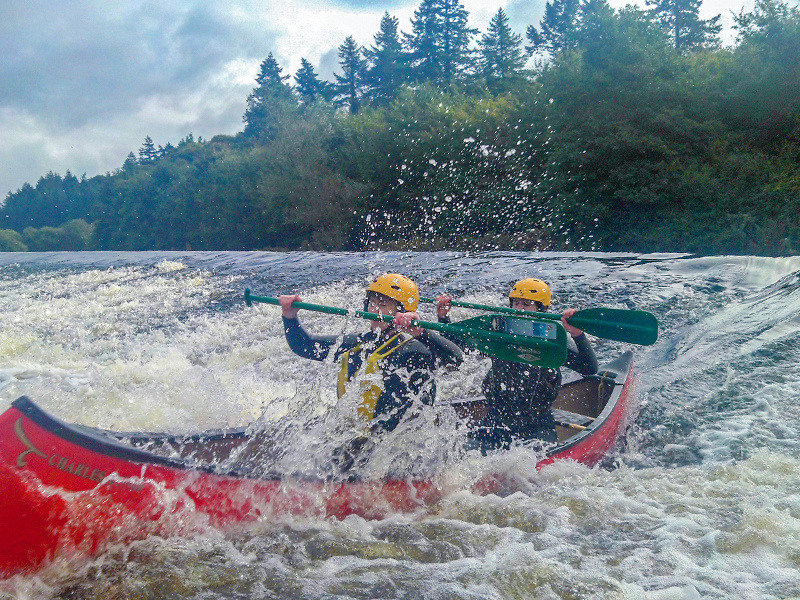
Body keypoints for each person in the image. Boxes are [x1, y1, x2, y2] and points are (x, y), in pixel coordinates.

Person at [279, 274, 463, 439]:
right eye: (372, 302)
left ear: (402, 310)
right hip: (359, 438)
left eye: (383, 305)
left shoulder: (414, 350)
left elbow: (456, 360)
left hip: (405, 443)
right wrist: (289, 316)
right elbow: (305, 346)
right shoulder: (357, 343)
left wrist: (422, 332)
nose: (374, 310)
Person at [436, 278, 598, 452]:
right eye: (516, 303)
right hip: (496, 420)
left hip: (536, 426)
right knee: (457, 451)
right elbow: (459, 347)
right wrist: (443, 318)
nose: (520, 308)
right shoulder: (499, 334)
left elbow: (589, 368)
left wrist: (578, 334)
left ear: (542, 309)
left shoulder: (552, 340)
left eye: (527, 304)